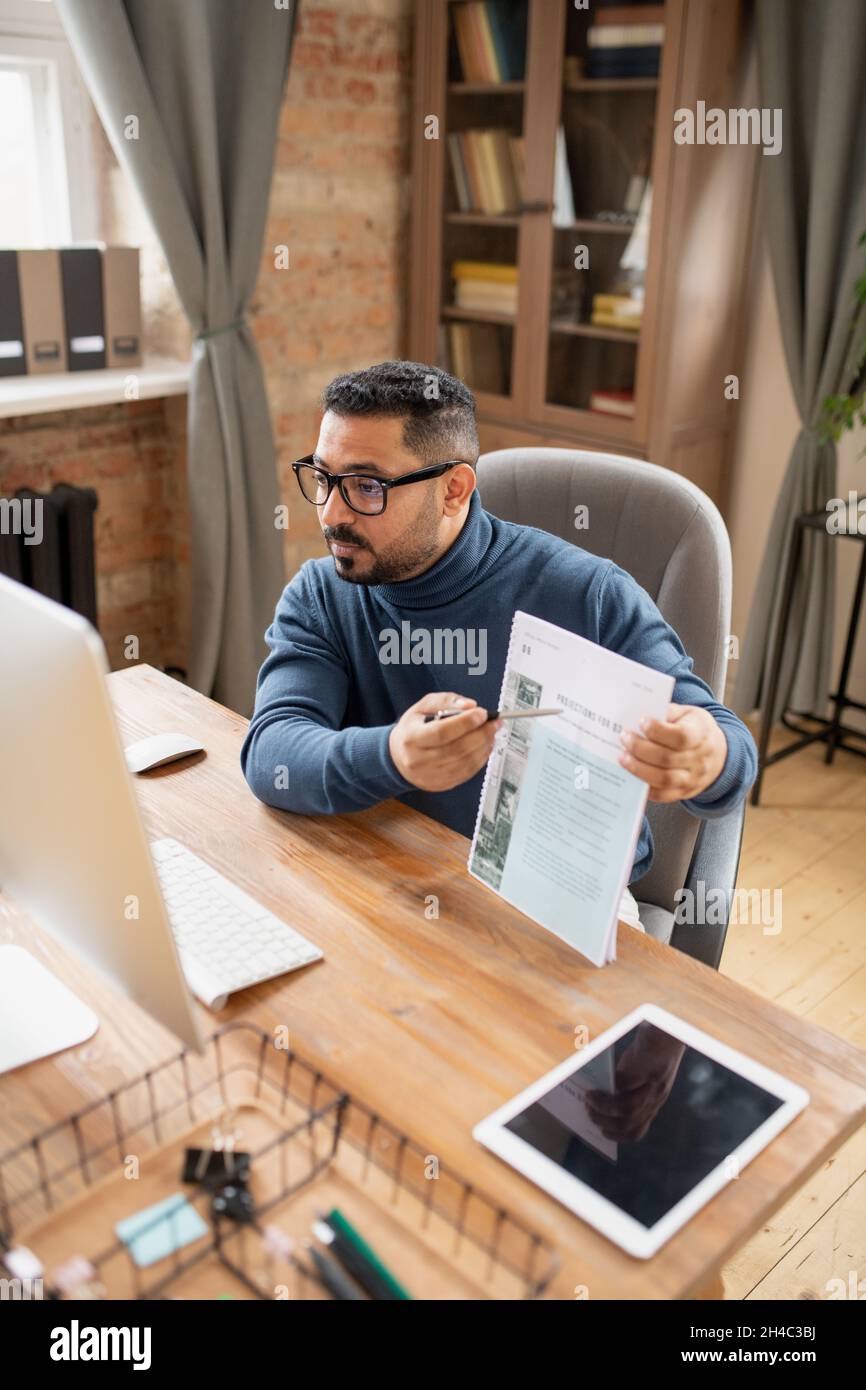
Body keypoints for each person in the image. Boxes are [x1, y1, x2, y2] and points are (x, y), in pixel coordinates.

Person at [241, 361, 757, 934]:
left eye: (367, 486)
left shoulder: (589, 594)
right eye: (323, 477)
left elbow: (727, 746)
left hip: (558, 908)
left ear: (453, 490)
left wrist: (708, 756)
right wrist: (392, 756)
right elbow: (271, 753)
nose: (331, 514)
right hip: (391, 878)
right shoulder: (321, 594)